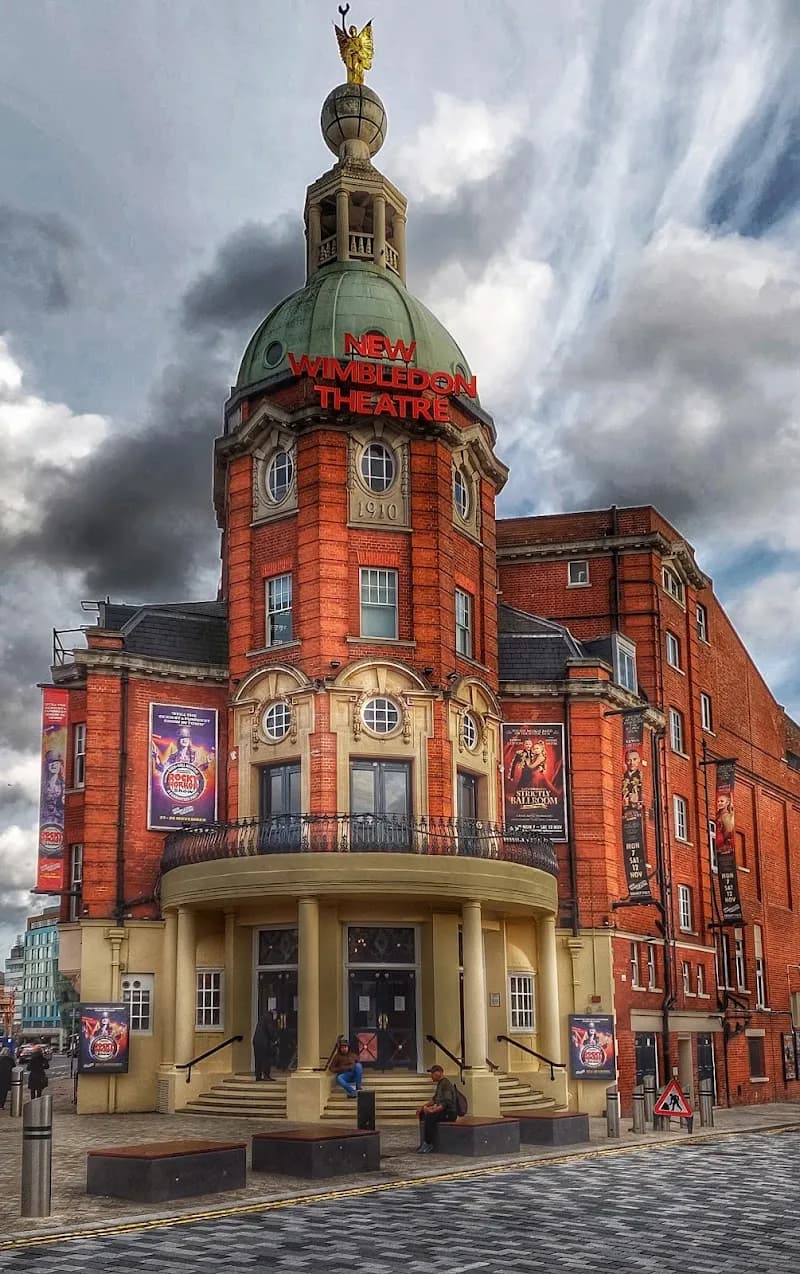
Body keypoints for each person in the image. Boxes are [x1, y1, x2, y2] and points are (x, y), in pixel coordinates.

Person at [416, 1064, 457, 1152]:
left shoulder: (446, 1084)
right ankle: (424, 1141)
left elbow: (447, 1103)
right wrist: (423, 1107)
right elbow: (434, 1100)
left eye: (433, 1073)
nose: (431, 1075)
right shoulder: (440, 1084)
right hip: (442, 1110)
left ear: (439, 1073)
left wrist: (433, 1110)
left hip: (449, 1113)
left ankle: (428, 1143)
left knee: (430, 1117)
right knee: (423, 1114)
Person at [252, 1011, 278, 1081]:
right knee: (266, 1058)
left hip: (256, 1041)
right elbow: (270, 1029)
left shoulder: (263, 1017)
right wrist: (274, 1039)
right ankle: (266, 1076)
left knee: (258, 1059)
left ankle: (258, 1075)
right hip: (264, 1042)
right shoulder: (269, 1018)